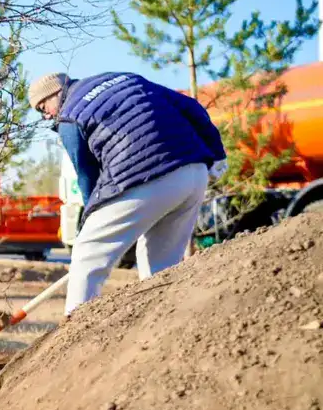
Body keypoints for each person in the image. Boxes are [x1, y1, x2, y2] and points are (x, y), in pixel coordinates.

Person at [29, 72, 227, 316]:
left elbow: (86, 175)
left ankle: (73, 331)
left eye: (43, 107)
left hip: (146, 176)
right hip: (193, 173)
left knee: (88, 252)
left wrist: (92, 223)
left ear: (56, 93)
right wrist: (216, 153)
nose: (46, 115)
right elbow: (190, 106)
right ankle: (165, 320)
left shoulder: (69, 116)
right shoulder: (126, 78)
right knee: (162, 265)